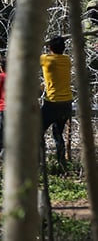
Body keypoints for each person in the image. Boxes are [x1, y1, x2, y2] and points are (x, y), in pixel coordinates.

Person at [40, 35, 73, 170]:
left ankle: (39, 163)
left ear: (50, 48)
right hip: (66, 103)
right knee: (58, 133)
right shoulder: (67, 60)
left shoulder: (46, 60)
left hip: (52, 103)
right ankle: (61, 163)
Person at [82, 0, 98, 79]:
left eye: (95, 9)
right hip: (89, 56)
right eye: (90, 10)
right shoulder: (83, 23)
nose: (93, 12)